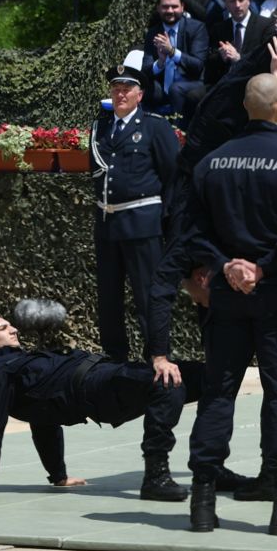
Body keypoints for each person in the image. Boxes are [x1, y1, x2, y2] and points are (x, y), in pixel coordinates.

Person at [181, 73, 277, 535]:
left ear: (247, 108)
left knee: (219, 393)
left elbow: (190, 229)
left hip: (226, 297)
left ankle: (202, 501)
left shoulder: (211, 163)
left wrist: (226, 265)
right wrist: (262, 268)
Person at [0, 307, 202, 500]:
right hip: (97, 386)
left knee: (209, 377)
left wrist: (58, 476)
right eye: (4, 328)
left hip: (110, 373)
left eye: (11, 325)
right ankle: (156, 476)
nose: (14, 329)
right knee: (166, 383)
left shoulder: (24, 364)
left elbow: (43, 420)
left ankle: (211, 467)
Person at [91, 54, 179, 364]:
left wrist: (167, 221)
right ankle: (115, 357)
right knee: (109, 298)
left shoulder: (154, 127)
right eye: (116, 88)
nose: (120, 94)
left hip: (142, 222)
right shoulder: (100, 128)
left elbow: (173, 177)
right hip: (107, 223)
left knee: (147, 296)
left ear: (139, 94)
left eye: (127, 88)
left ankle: (157, 354)